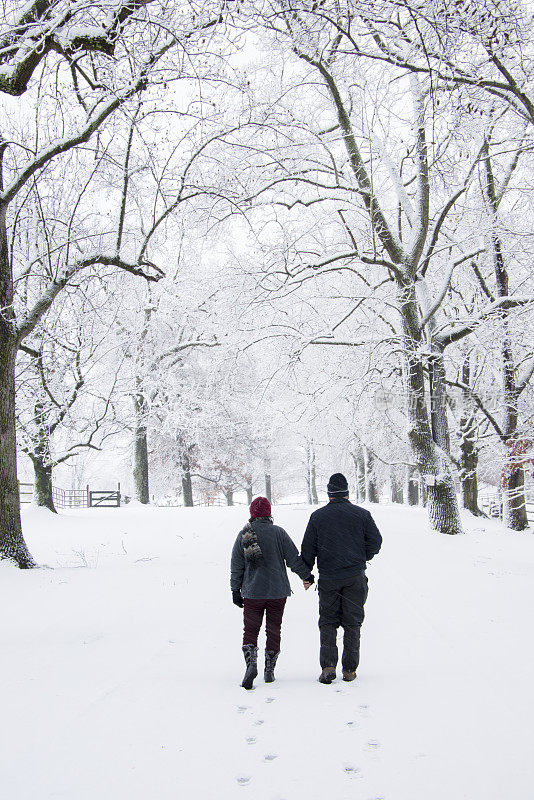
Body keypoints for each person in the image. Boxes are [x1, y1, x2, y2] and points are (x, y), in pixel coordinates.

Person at [301, 472, 382, 684]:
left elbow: (307, 549)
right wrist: (361, 556)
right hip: (355, 577)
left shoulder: (318, 517)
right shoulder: (362, 515)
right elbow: (375, 542)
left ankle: (328, 666)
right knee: (353, 623)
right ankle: (349, 669)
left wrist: (307, 573)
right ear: (347, 493)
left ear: (329, 494)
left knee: (327, 622)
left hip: (329, 578)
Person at [231, 496, 314, 689]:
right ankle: (269, 669)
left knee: (251, 630)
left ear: (252, 514)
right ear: (269, 513)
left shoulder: (244, 534)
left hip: (252, 592)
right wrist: (307, 576)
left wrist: (235, 589)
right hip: (277, 592)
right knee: (273, 629)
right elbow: (293, 559)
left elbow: (236, 565)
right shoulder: (278, 533)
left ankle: (251, 664)